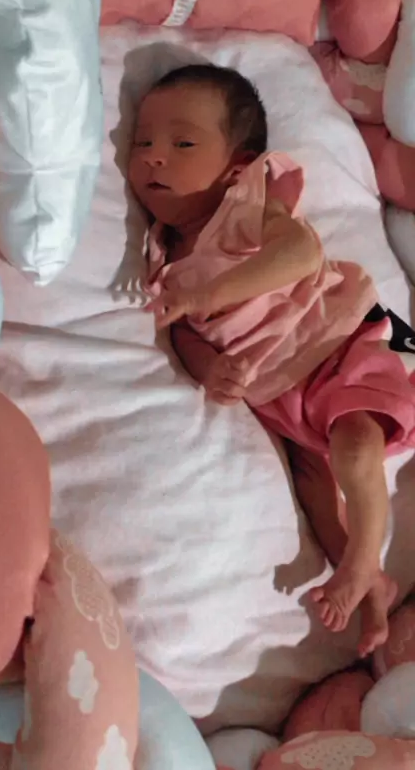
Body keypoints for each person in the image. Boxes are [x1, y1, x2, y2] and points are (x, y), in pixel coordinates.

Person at [128, 62, 415, 657]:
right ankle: (368, 583)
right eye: (143, 143)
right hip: (282, 392)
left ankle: (365, 560)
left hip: (340, 343)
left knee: (355, 444)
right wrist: (208, 368)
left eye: (182, 144)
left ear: (237, 166)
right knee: (313, 485)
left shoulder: (247, 203)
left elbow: (301, 253)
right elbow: (184, 335)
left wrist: (207, 295)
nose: (154, 157)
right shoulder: (162, 256)